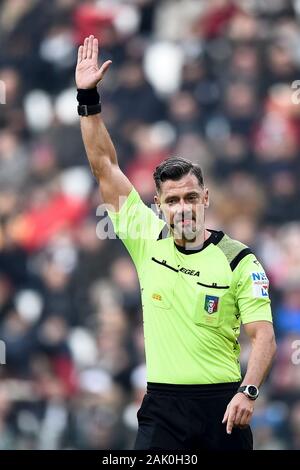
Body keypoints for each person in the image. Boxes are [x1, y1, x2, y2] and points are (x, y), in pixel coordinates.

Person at [75, 35, 276, 450]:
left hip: (222, 407)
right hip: (162, 409)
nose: (182, 208)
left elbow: (264, 337)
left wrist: (249, 391)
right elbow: (104, 165)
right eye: (172, 200)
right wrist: (88, 98)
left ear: (205, 199)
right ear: (159, 204)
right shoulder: (146, 239)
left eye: (190, 197)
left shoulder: (240, 260)